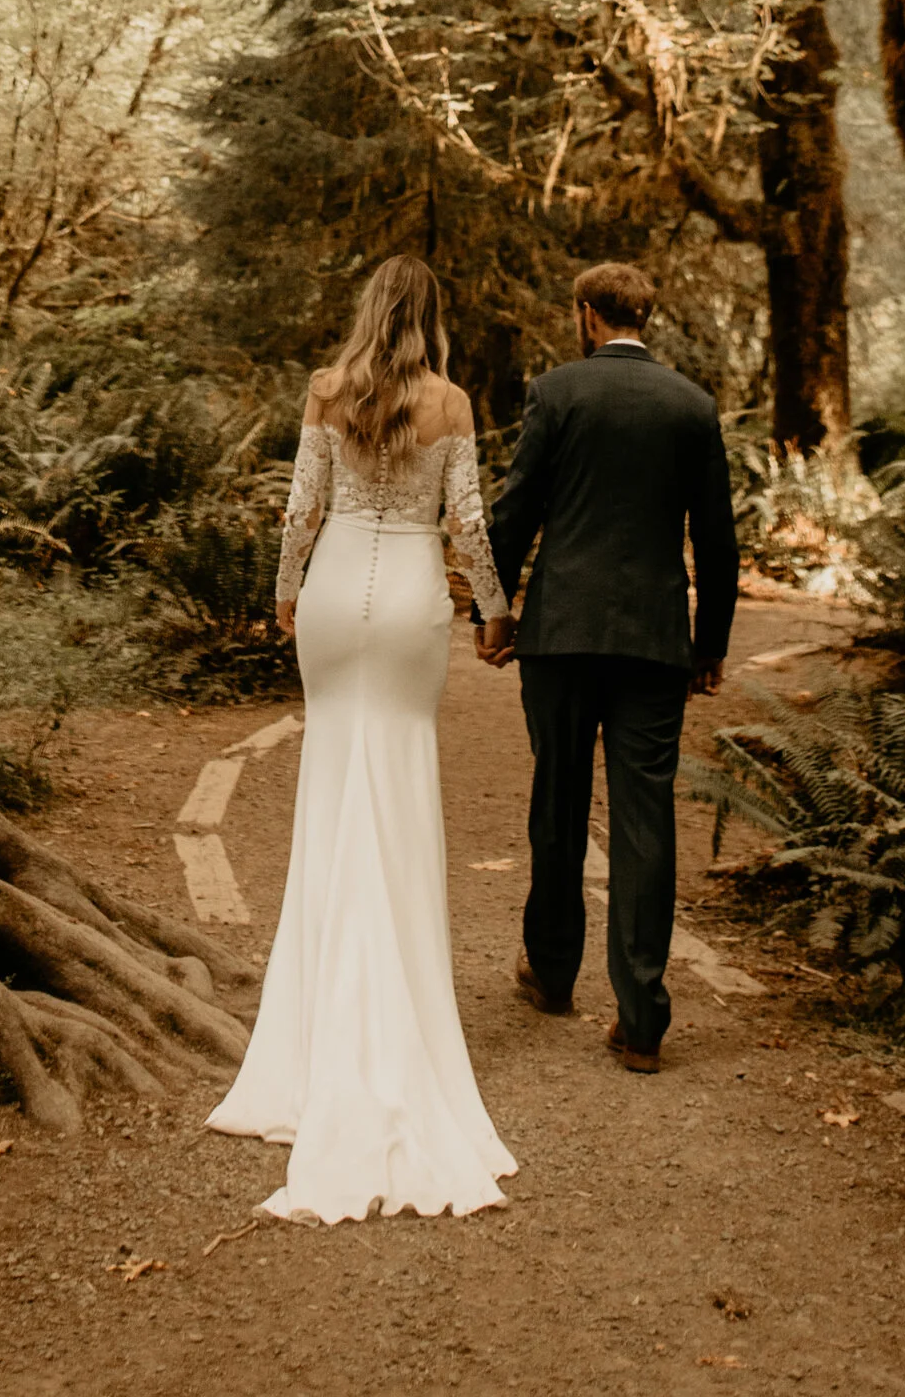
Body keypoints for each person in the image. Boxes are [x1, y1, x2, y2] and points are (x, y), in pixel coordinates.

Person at [206, 253, 518, 1221]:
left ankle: (312, 1029)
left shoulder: (325, 390)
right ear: (430, 317)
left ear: (369, 310)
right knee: (400, 782)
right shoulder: (453, 402)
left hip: (338, 588)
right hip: (413, 592)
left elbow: (301, 504)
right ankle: (395, 1012)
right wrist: (496, 608)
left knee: (333, 780)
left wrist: (283, 592)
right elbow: (465, 521)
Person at [483, 259, 740, 1074]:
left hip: (560, 636)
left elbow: (516, 509)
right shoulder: (691, 406)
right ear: (643, 317)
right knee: (644, 817)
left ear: (588, 314)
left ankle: (553, 973)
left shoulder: (557, 393)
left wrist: (494, 610)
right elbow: (719, 540)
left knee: (556, 798)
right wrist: (711, 644)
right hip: (655, 643)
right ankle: (642, 1019)